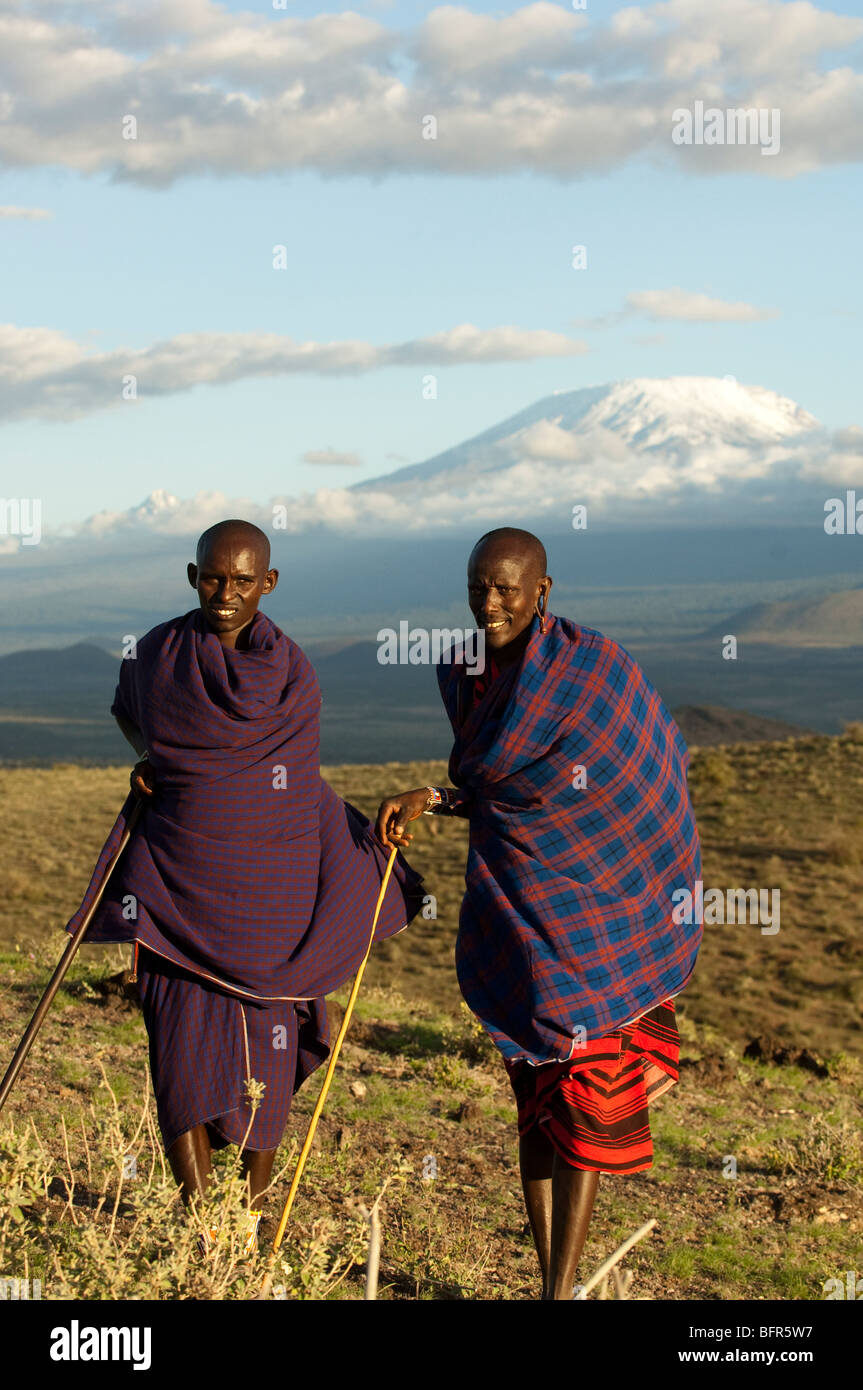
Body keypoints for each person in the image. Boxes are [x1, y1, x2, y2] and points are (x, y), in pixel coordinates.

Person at [66, 519, 423, 1243]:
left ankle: (254, 1217)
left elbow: (293, 787)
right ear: (191, 574)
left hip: (270, 884)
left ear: (269, 583)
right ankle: (202, 1221)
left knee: (269, 1036)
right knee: (177, 1038)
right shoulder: (160, 651)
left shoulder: (291, 671)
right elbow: (131, 716)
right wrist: (150, 760)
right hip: (175, 876)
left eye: (240, 581)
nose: (224, 594)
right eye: (210, 578)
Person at [375, 527, 702, 1300]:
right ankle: (545, 1276)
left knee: (581, 1099)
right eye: (476, 586)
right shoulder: (464, 670)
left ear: (542, 592)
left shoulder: (593, 672)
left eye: (506, 588)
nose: (489, 603)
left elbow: (641, 783)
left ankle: (560, 1290)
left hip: (596, 921)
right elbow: (503, 790)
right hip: (514, 910)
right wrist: (435, 797)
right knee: (532, 1091)